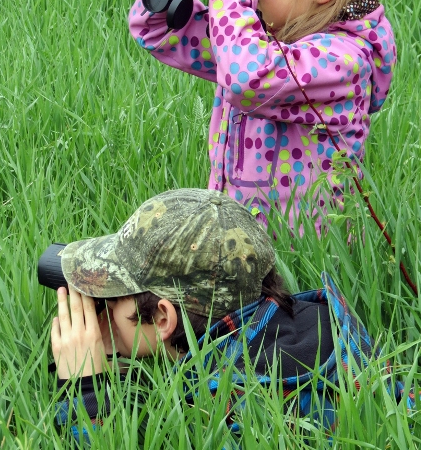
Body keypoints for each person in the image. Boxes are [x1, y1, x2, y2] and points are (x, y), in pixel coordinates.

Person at [49, 188, 412, 444]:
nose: (100, 304)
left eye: (112, 297)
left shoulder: (223, 405)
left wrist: (85, 387)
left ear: (163, 319)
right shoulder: (315, 320)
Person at [128, 0, 396, 230]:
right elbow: (153, 29)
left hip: (302, 261)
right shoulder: (255, 39)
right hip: (237, 245)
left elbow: (247, 79)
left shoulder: (343, 62)